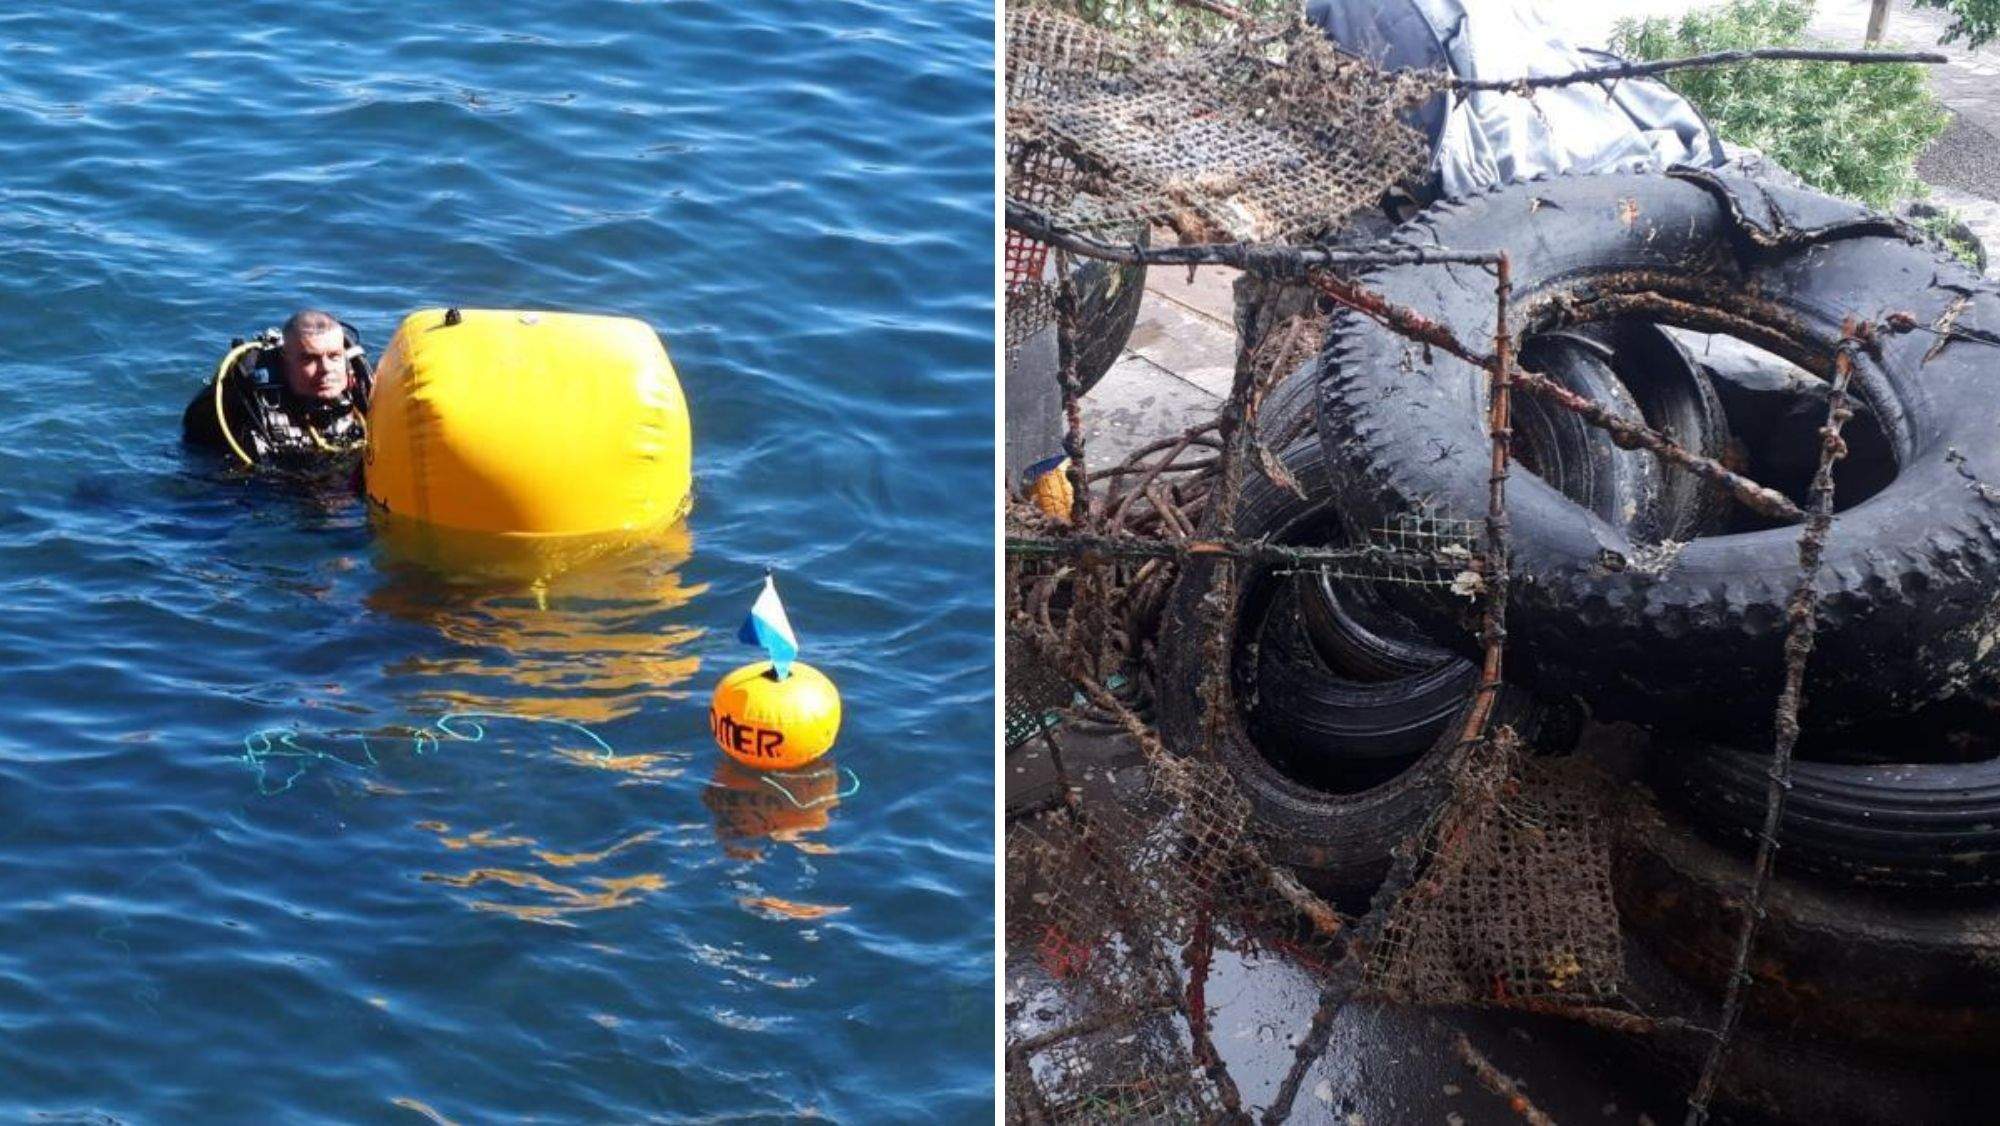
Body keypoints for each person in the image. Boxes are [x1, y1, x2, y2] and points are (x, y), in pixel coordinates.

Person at [182, 309, 372, 472]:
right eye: (309, 359)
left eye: (334, 356)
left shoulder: (361, 391)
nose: (325, 369)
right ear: (283, 362)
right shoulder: (244, 408)